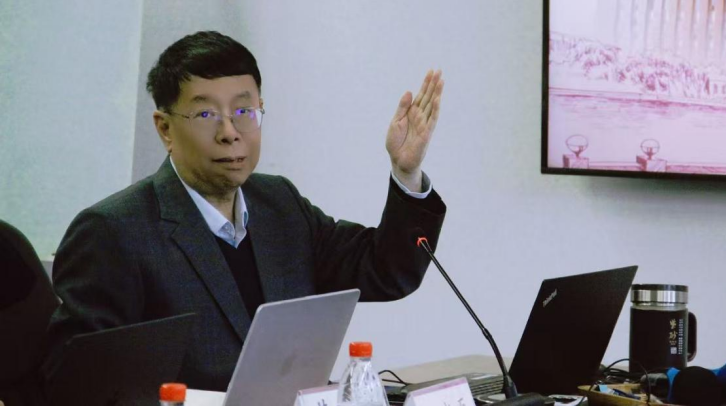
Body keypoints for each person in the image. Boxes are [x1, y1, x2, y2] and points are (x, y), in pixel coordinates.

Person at [43, 31, 446, 392]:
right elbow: (74, 384)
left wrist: (406, 173)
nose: (229, 132)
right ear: (165, 128)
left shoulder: (280, 204)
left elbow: (385, 271)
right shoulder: (113, 231)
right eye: (206, 114)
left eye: (244, 112)